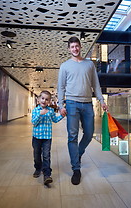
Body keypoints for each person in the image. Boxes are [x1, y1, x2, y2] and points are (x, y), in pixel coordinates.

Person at [57, 36, 108, 185]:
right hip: (72, 103)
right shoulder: (65, 66)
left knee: (89, 134)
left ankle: (77, 154)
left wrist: (102, 100)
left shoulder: (89, 65)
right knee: (72, 136)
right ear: (69, 49)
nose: (75, 49)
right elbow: (61, 87)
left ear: (80, 47)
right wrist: (61, 105)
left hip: (87, 104)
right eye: (72, 47)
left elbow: (96, 85)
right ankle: (76, 169)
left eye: (77, 46)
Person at [31, 90, 65, 186]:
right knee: (37, 155)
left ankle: (47, 174)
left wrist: (62, 116)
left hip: (47, 138)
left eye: (47, 99)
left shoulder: (50, 111)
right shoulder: (35, 111)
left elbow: (55, 120)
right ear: (38, 100)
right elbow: (34, 122)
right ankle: (38, 168)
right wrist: (40, 114)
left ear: (49, 101)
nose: (44, 101)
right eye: (42, 98)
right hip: (36, 137)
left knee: (46, 155)